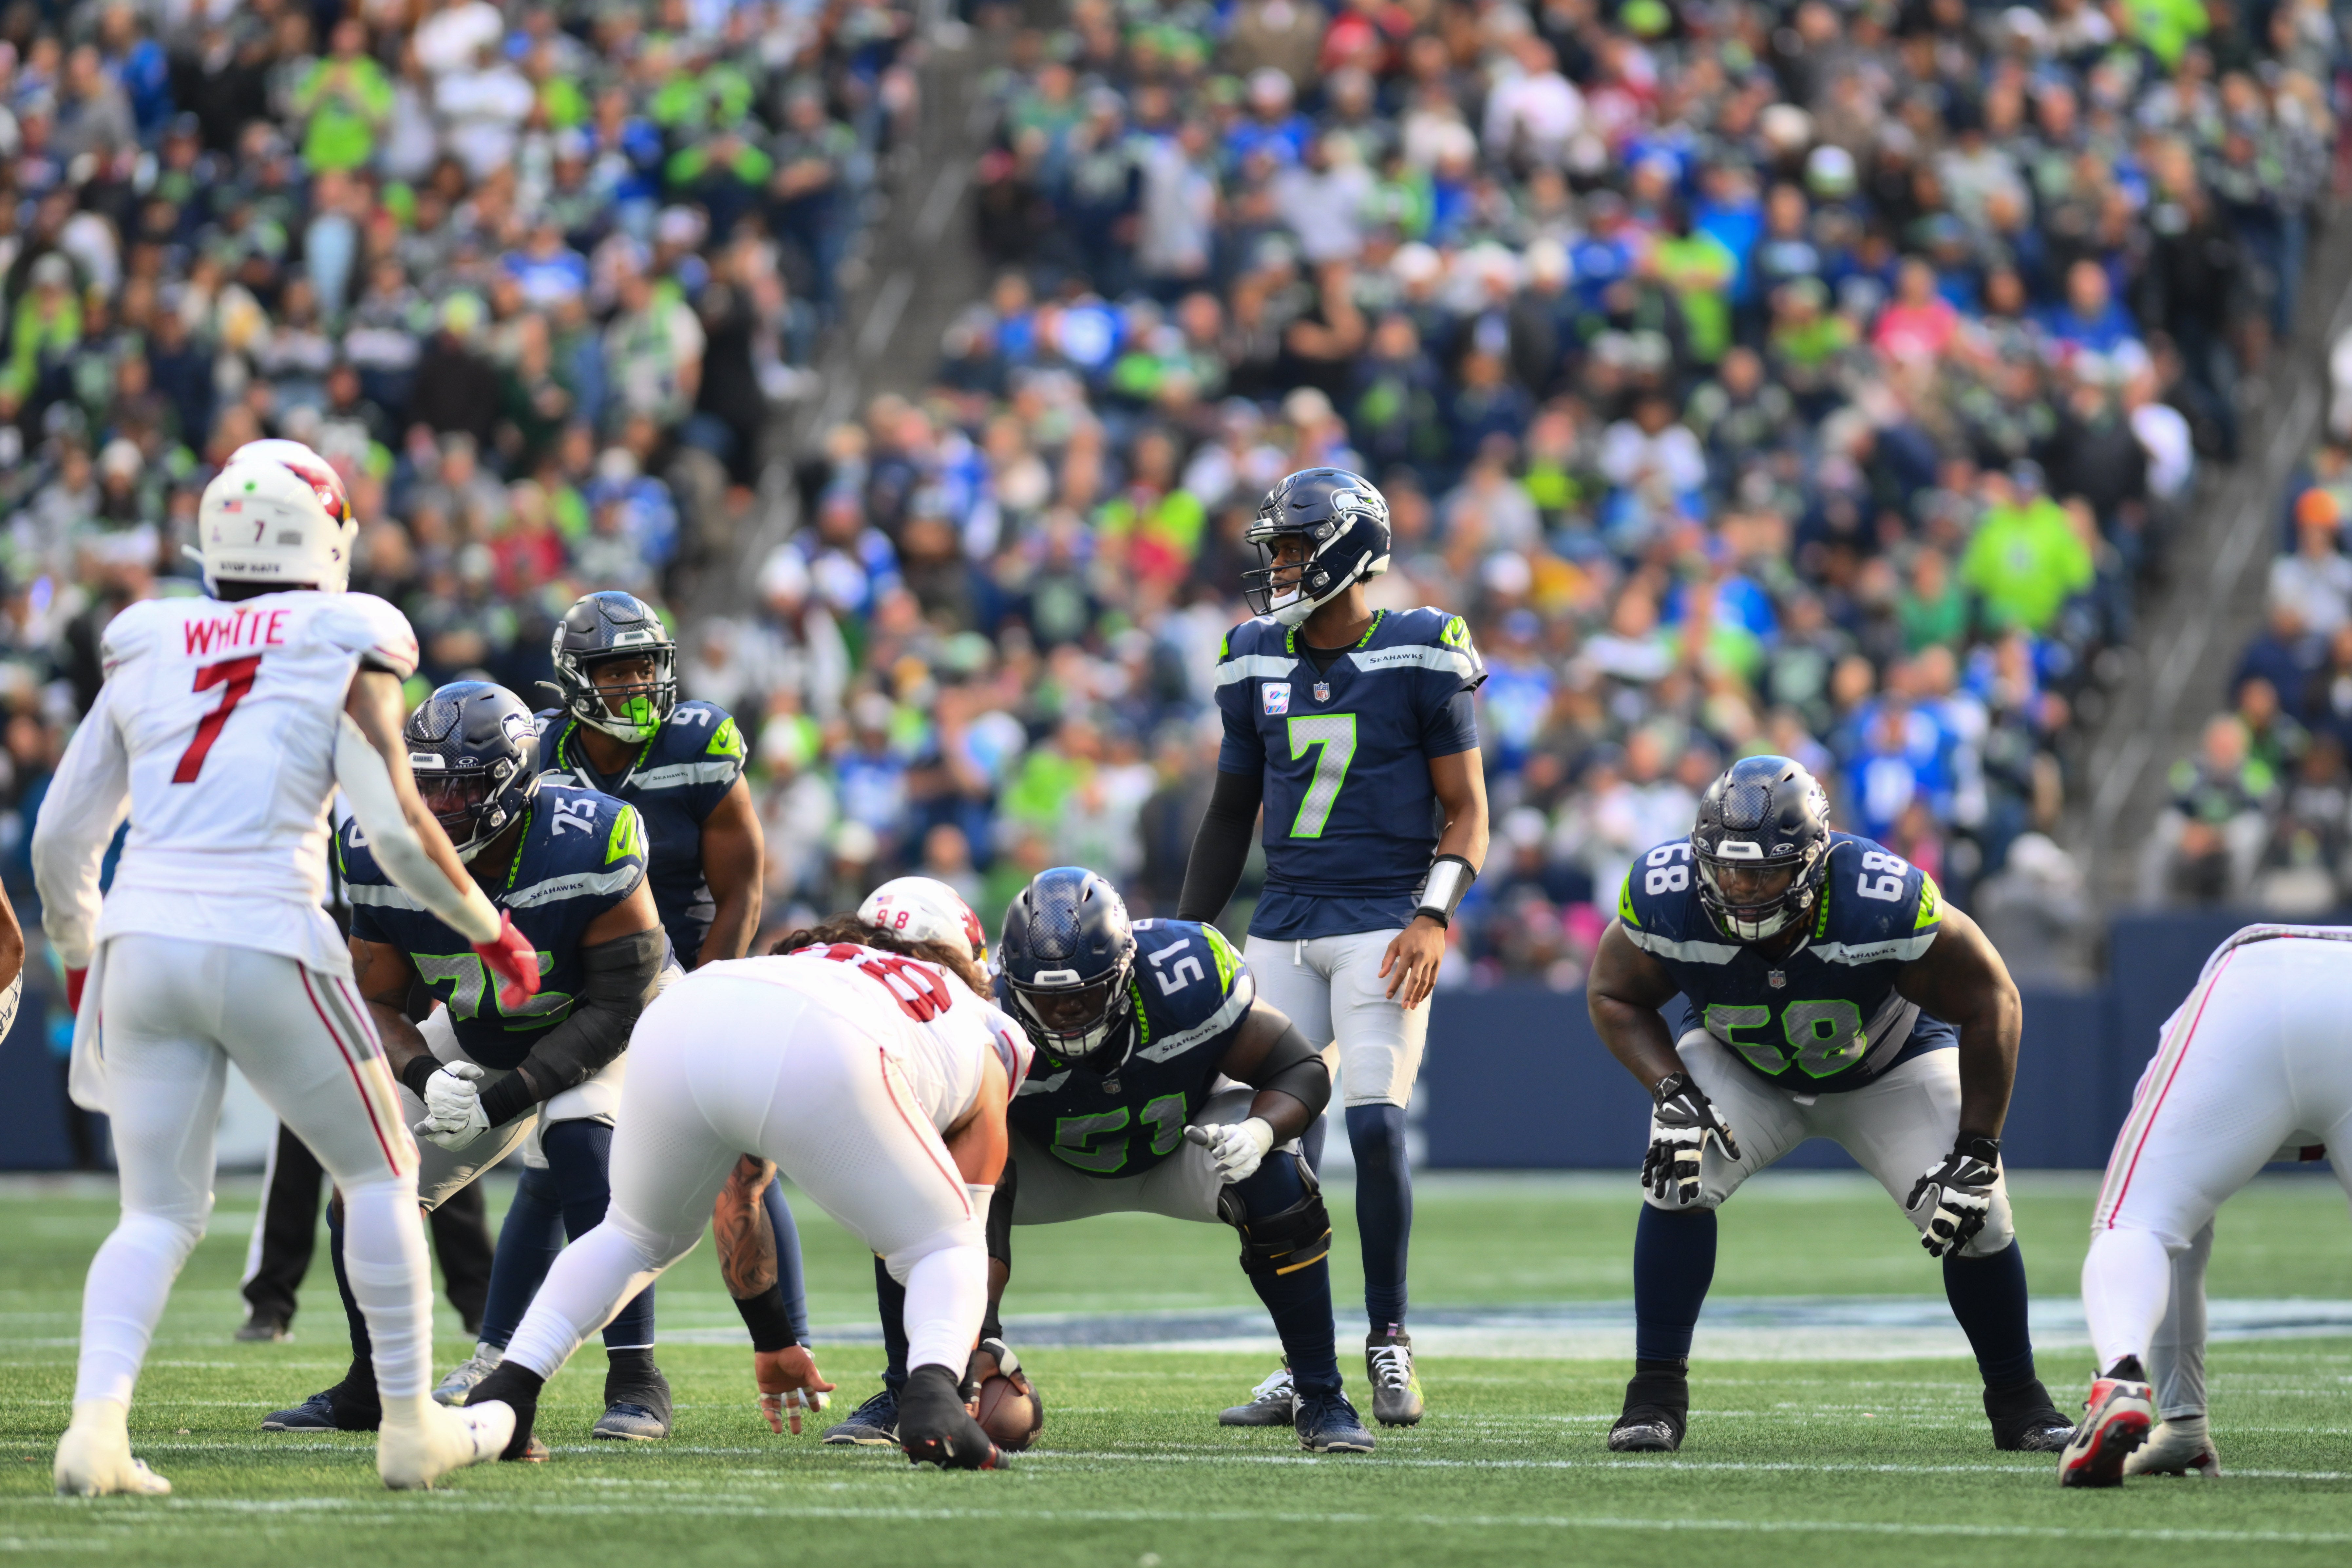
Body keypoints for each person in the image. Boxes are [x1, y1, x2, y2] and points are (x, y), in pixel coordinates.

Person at [33, 445, 529, 1494]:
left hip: (143, 939)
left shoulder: (146, 636)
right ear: (332, 538)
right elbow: (395, 830)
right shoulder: (343, 634)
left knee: (156, 1212)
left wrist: (83, 955)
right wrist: (490, 927)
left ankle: (97, 1427)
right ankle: (408, 1425)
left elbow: (59, 841)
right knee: (384, 1171)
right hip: (266, 931)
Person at [1586, 755, 2076, 1454]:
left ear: (1814, 861)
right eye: (1727, 870)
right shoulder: (1666, 892)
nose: (1742, 890)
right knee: (1675, 1163)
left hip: (1886, 1066)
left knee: (1978, 1212)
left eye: (1764, 873)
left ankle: (2018, 1402)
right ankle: (1654, 1395)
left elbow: (1992, 997)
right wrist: (1670, 1092)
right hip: (1741, 1065)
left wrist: (1976, 1148)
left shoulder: (1878, 895)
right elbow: (1612, 993)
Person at [465, 877, 1027, 1471]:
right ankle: (932, 1403)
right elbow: (964, 1223)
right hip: (833, 1037)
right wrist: (952, 1373)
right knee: (946, 1240)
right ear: (966, 959)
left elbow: (742, 1189)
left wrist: (773, 1335)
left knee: (632, 1235)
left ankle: (510, 1388)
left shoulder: (813, 958)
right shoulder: (975, 1018)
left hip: (689, 1006)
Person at [824, 866, 1369, 1452]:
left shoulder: (1186, 975)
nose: (1065, 1015)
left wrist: (1262, 1131)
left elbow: (1300, 1069)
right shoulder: (987, 1012)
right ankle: (910, 1387)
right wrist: (981, 1337)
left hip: (1176, 1146)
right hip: (1048, 1164)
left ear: (1125, 971)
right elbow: (958, 1140)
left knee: (1280, 1182)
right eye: (1046, 998)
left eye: (1083, 994)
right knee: (917, 1195)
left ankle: (1320, 1393)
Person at [259, 680, 675, 1447]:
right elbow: (374, 999)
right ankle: (376, 1385)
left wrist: (508, 1096)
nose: (444, 802)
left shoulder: (593, 836)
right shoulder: (378, 847)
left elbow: (620, 1003)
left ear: (517, 778)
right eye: (428, 783)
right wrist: (425, 1075)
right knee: (366, 1187)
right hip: (482, 1029)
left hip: (610, 1027)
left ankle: (636, 1377)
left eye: (465, 783)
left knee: (583, 1145)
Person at [429, 591, 809, 1413]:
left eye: (646, 665)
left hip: (688, 970)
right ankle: (507, 1353)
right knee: (557, 1166)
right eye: (616, 668)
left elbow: (741, 885)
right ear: (575, 678)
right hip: (585, 982)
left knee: (741, 1152)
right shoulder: (541, 755)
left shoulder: (698, 741)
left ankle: (787, 1346)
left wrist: (704, 996)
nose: (637, 684)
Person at [1176, 467, 1489, 1428]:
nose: (1277, 567)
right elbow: (1232, 812)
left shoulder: (1421, 648)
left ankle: (1388, 1335)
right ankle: (1297, 1356)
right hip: (1282, 924)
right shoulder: (1251, 656)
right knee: (1271, 1146)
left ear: (1350, 550)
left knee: (1373, 1123)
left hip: (1380, 923)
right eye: (1273, 549)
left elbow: (1468, 812)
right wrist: (1189, 931)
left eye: (1293, 549)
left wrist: (1433, 915)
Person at [2061, 924, 2352, 1487]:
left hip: (2256, 983)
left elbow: (2172, 1232)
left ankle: (2121, 1379)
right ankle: (2182, 1431)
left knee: (2142, 1223)